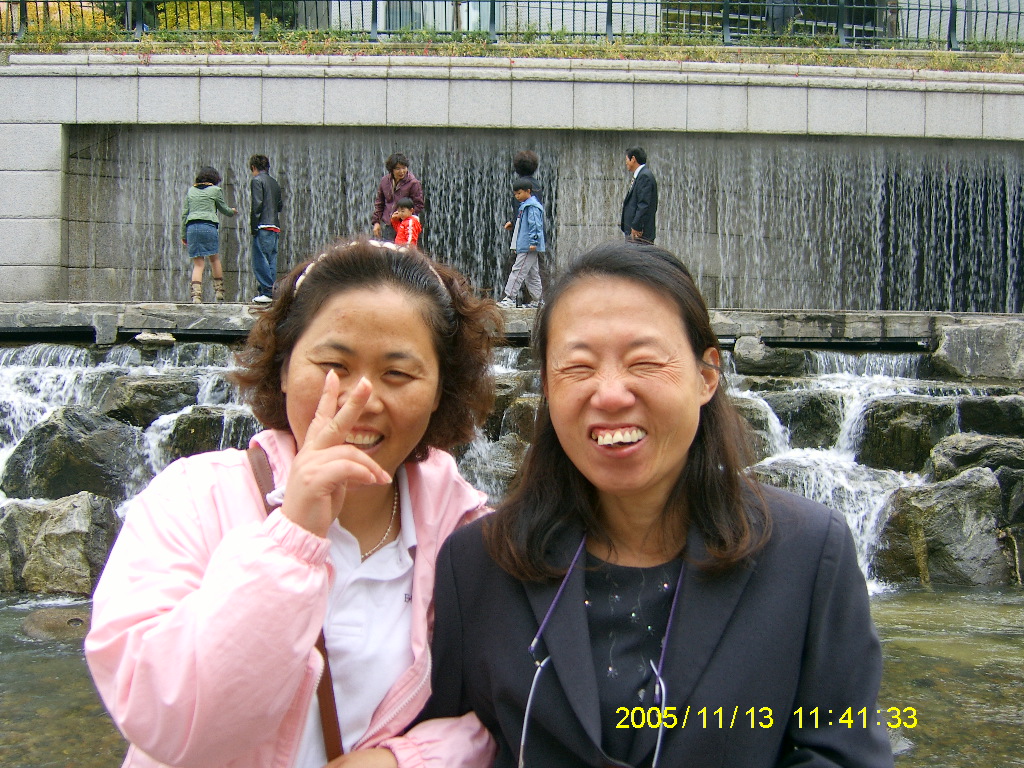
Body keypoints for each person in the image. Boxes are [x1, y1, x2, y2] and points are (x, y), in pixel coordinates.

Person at [420, 241, 895, 768]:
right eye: (577, 367)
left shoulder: (808, 554)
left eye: (644, 362)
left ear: (706, 376)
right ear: (548, 390)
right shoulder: (477, 565)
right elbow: (449, 746)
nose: (610, 394)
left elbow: (843, 752)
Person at [85, 239, 502, 768]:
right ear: (284, 369)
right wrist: (294, 535)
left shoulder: (470, 537)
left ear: (441, 390)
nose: (359, 399)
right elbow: (166, 721)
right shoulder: (190, 500)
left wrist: (407, 761)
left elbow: (515, 710)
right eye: (333, 364)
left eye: (397, 374)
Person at [180, 165, 236, 304]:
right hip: (208, 226)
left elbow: (184, 214)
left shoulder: (191, 191)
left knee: (198, 264)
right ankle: (219, 292)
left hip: (192, 227)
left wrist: (183, 235)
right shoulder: (215, 190)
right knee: (214, 259)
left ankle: (196, 296)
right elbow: (224, 209)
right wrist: (232, 211)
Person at [498, 178, 545, 309]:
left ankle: (510, 298)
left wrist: (534, 241)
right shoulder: (525, 206)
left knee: (518, 271)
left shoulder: (532, 207)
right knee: (532, 274)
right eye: (515, 194)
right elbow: (522, 227)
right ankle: (538, 300)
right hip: (525, 245)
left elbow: (535, 225)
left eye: (519, 193)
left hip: (528, 247)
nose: (517, 196)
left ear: (528, 191)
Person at [249, 153, 283, 304]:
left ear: (253, 167)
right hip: (275, 227)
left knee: (260, 260)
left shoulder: (257, 180)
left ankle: (268, 292)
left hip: (263, 225)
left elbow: (257, 205)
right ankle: (271, 291)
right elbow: (280, 206)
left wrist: (254, 226)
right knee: (271, 260)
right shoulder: (274, 182)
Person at [372, 153, 424, 242]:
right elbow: (379, 203)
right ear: (391, 170)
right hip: (388, 224)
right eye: (398, 169)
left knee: (404, 249)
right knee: (387, 248)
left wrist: (402, 214)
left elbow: (419, 205)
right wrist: (376, 222)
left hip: (405, 226)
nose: (402, 171)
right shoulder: (385, 181)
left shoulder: (413, 183)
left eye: (404, 168)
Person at [620, 146, 658, 243]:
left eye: (627, 159)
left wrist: (636, 226)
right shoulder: (641, 175)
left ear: (633, 159)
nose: (626, 163)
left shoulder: (644, 176)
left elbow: (644, 204)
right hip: (635, 232)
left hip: (639, 234)